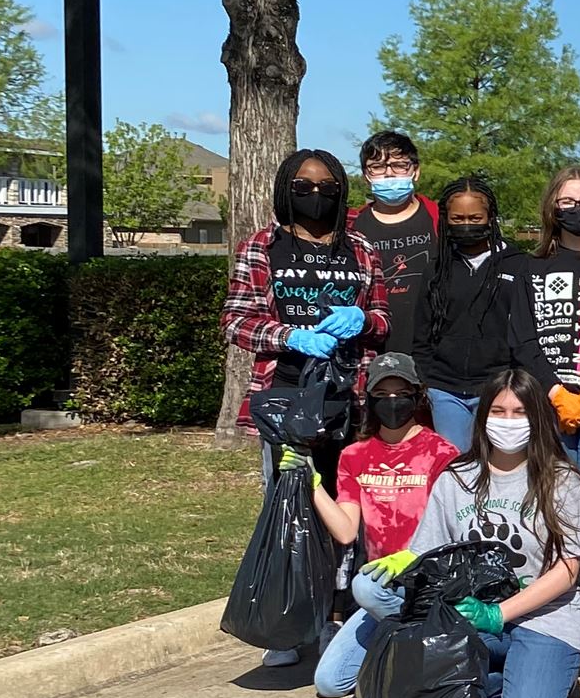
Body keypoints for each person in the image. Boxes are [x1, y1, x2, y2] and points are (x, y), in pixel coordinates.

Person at [357, 369, 580, 698]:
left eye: (520, 413)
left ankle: (551, 679)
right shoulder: (455, 478)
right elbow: (430, 554)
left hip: (546, 618)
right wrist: (405, 564)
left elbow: (568, 569)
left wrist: (499, 614)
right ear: (482, 417)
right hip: (472, 614)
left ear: (538, 418)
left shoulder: (563, 479)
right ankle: (507, 675)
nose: (508, 422)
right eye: (498, 412)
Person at [220, 150, 389, 602]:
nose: (316, 196)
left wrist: (363, 319)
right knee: (289, 505)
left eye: (328, 188)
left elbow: (383, 320)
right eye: (303, 188)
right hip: (285, 400)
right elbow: (236, 321)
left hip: (349, 399)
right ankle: (289, 613)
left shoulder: (361, 250)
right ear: (284, 191)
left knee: (346, 503)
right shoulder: (260, 247)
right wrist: (290, 335)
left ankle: (340, 607)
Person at [504, 167, 580, 644]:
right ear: (551, 209)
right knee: (548, 501)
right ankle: (553, 594)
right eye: (566, 202)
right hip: (545, 404)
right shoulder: (528, 267)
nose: (576, 210)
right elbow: (522, 338)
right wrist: (557, 393)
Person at [311, 354, 461, 698]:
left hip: (426, 582)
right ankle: (403, 649)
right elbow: (347, 532)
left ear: (417, 395)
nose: (392, 401)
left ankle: (422, 649)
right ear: (370, 400)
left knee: (362, 586)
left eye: (401, 392)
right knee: (329, 683)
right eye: (382, 394)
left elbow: (453, 528)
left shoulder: (442, 452)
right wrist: (313, 485)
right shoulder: (354, 455)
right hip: (381, 588)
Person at [413, 175, 526, 452]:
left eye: (475, 218)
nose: (466, 225)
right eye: (458, 218)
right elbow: (422, 332)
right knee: (457, 467)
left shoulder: (519, 265)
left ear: (490, 218)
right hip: (445, 389)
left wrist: (515, 381)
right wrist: (428, 380)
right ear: (446, 219)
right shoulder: (437, 268)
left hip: (499, 388)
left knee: (498, 464)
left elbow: (526, 330)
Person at [350, 131, 439, 356]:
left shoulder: (441, 219)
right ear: (366, 176)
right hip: (371, 355)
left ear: (415, 171)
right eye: (378, 166)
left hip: (434, 356)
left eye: (399, 165)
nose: (389, 174)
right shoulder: (351, 229)